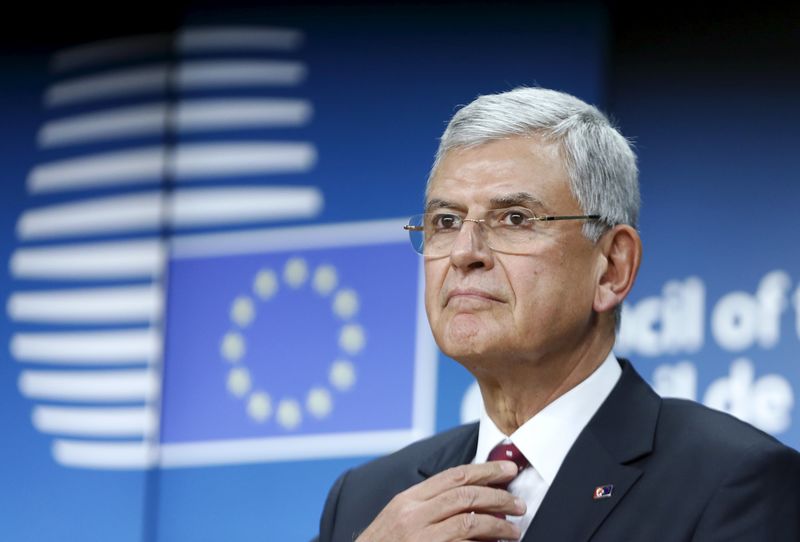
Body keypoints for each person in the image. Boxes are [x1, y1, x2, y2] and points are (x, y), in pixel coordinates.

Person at [316, 87, 800, 541]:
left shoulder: (732, 480)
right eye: (445, 222)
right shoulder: (366, 501)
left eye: (514, 219)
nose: (465, 252)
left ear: (612, 267)